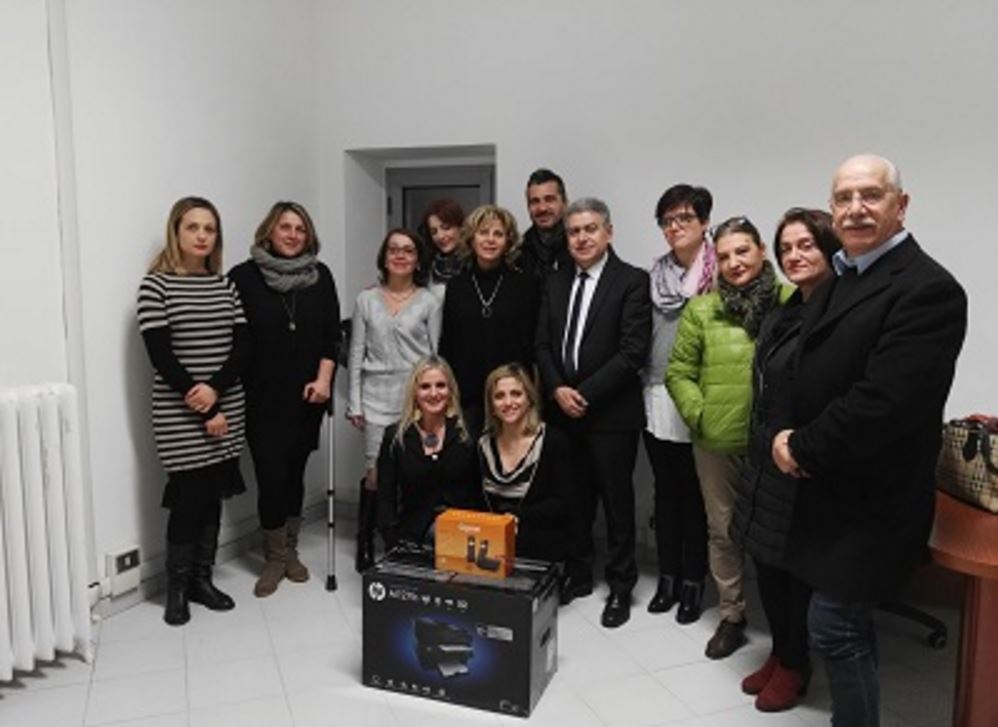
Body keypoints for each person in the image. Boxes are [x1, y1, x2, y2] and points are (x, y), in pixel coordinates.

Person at [773, 155, 966, 727]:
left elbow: (883, 404)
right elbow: (807, 365)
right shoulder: (844, 274)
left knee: (834, 625)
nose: (855, 209)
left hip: (875, 499)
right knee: (841, 623)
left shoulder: (928, 290)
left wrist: (801, 446)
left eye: (871, 195)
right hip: (828, 487)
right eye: (844, 197)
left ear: (900, 206)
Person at [666, 216, 793, 658]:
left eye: (742, 251)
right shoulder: (702, 309)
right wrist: (700, 416)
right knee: (723, 533)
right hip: (717, 443)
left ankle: (787, 628)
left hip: (775, 446)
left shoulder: (791, 301)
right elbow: (679, 372)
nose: (734, 262)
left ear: (761, 250)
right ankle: (732, 615)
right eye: (723, 256)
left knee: (777, 537)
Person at [730, 208, 841, 712]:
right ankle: (780, 652)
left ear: (830, 248)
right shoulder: (784, 310)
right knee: (768, 565)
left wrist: (797, 443)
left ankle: (796, 665)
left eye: (806, 245)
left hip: (802, 461)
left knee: (795, 572)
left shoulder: (840, 311)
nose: (794, 255)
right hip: (765, 457)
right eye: (786, 248)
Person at [535, 197, 651, 628]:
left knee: (617, 503)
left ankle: (620, 586)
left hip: (611, 415)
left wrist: (582, 394)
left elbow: (632, 352)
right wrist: (556, 389)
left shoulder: (632, 281)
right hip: (562, 412)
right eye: (574, 231)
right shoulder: (555, 280)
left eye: (590, 229)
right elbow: (541, 345)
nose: (581, 238)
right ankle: (579, 573)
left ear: (608, 232)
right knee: (574, 498)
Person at [138, 196, 247, 625]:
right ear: (176, 232)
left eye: (209, 228)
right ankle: (177, 589)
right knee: (188, 499)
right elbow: (161, 356)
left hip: (226, 404)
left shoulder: (225, 285)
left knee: (212, 497)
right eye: (193, 227)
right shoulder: (156, 286)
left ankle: (203, 580)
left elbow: (243, 347)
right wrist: (204, 407)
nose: (202, 235)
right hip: (179, 410)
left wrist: (215, 392)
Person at [229, 201, 341, 598]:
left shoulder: (320, 276)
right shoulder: (243, 277)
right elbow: (234, 339)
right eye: (285, 227)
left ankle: (290, 549)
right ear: (269, 231)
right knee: (270, 475)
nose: (293, 235)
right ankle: (273, 557)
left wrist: (324, 380)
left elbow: (331, 336)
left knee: (295, 474)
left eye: (300, 229)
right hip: (261, 397)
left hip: (308, 396)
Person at [347, 228, 441, 569]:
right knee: (375, 472)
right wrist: (355, 402)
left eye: (408, 250)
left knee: (412, 471)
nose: (400, 255)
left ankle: (402, 539)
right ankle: (365, 540)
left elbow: (435, 355)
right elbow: (356, 352)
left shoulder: (429, 301)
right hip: (375, 396)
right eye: (394, 250)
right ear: (384, 258)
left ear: (418, 260)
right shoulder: (366, 300)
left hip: (416, 398)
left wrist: (435, 399)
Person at [642, 185, 715, 624]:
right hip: (656, 392)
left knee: (696, 495)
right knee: (665, 491)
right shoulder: (655, 275)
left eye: (684, 218)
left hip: (702, 397)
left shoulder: (720, 271)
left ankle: (693, 581)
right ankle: (667, 577)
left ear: (704, 222)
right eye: (667, 220)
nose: (675, 227)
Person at [439, 205, 539, 437]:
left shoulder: (526, 285)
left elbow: (532, 344)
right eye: (483, 232)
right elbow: (448, 343)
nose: (490, 240)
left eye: (498, 234)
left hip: (511, 396)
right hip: (467, 397)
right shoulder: (456, 286)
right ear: (471, 238)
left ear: (508, 241)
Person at [376, 356, 481, 548]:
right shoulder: (395, 437)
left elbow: (478, 490)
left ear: (450, 390)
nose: (434, 393)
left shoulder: (467, 432)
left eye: (441, 385)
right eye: (425, 387)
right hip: (411, 537)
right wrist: (392, 539)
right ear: (414, 393)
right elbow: (385, 497)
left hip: (464, 536)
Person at [478, 363, 572, 563]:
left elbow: (562, 504)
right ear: (491, 406)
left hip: (540, 549)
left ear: (529, 399)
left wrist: (518, 517)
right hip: (490, 550)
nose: (508, 402)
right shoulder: (482, 445)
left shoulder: (554, 442)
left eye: (516, 394)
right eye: (499, 396)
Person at [519, 168, 573, 279]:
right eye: (535, 201)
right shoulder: (518, 252)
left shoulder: (580, 245)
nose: (542, 208)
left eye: (549, 199)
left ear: (565, 203)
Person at [419, 198, 466, 287]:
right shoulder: (426, 266)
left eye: (446, 228)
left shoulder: (477, 262)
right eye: (433, 232)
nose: (440, 236)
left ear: (461, 227)